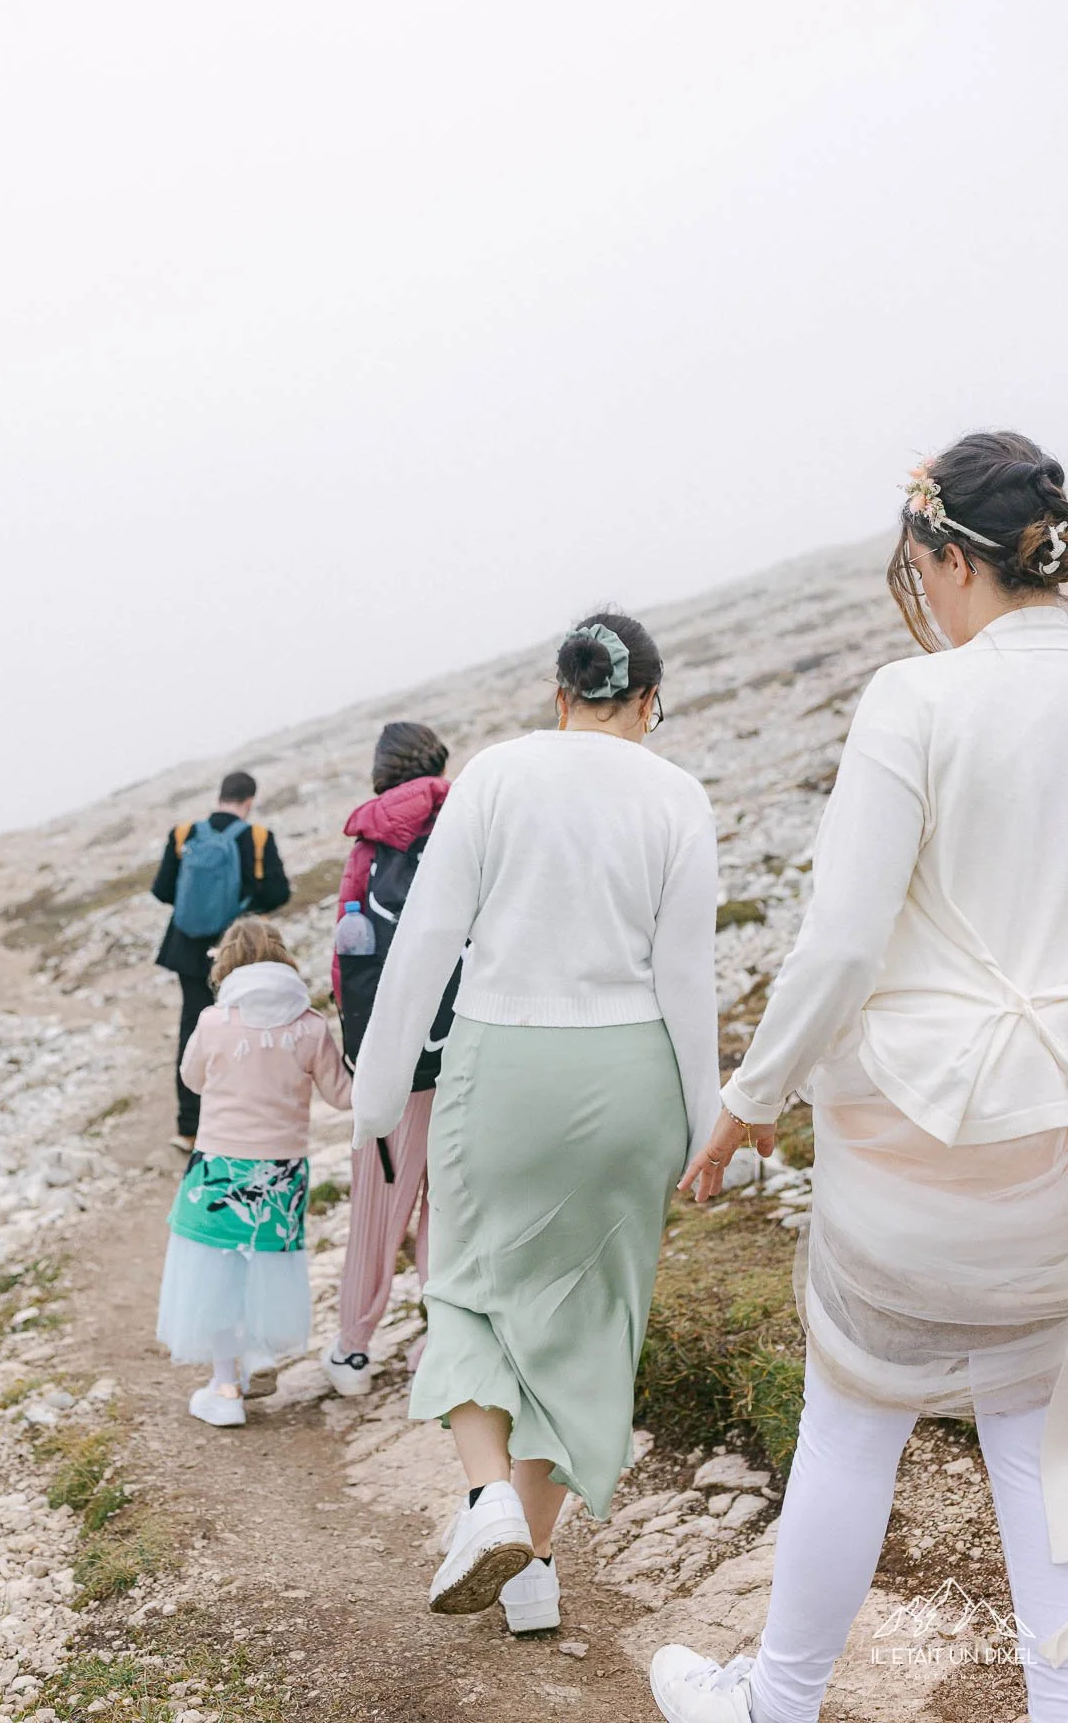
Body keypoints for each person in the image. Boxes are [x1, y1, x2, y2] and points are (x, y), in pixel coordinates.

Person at [650, 432, 1068, 1723]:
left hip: (919, 1156)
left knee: (849, 1423)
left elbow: (839, 945)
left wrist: (745, 1099)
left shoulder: (917, 701)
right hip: (1060, 1142)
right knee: (1039, 1441)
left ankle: (775, 1702)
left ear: (950, 558)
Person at [351, 615, 720, 1634]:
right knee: (589, 1323)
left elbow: (427, 941)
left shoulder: (498, 777)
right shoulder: (677, 796)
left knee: (468, 1284)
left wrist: (376, 1097)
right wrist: (708, 1124)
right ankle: (535, 1571)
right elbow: (689, 977)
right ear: (646, 702)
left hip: (503, 1062)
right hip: (632, 1078)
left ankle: (487, 1503)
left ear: (559, 694)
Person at [155, 916, 351, 1427]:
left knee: (215, 1274)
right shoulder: (310, 1025)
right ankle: (259, 1354)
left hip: (220, 1166)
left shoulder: (215, 1021)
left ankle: (225, 1389)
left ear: (226, 964)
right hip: (282, 1172)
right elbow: (343, 1095)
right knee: (266, 1265)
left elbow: (191, 1079)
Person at [321, 721, 453, 1398]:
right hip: (465, 1051)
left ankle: (352, 1347)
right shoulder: (467, 817)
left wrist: (357, 1052)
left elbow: (350, 954)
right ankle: (444, 1342)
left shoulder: (370, 838)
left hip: (393, 1057)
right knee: (452, 1202)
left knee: (379, 1202)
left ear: (382, 770)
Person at [153, 770, 290, 1150]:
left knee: (193, 1028)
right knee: (243, 1029)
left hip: (187, 948)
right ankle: (240, 1121)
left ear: (220, 796)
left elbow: (162, 889)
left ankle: (189, 1126)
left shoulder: (184, 834)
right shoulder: (257, 838)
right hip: (237, 949)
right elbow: (278, 892)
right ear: (249, 801)